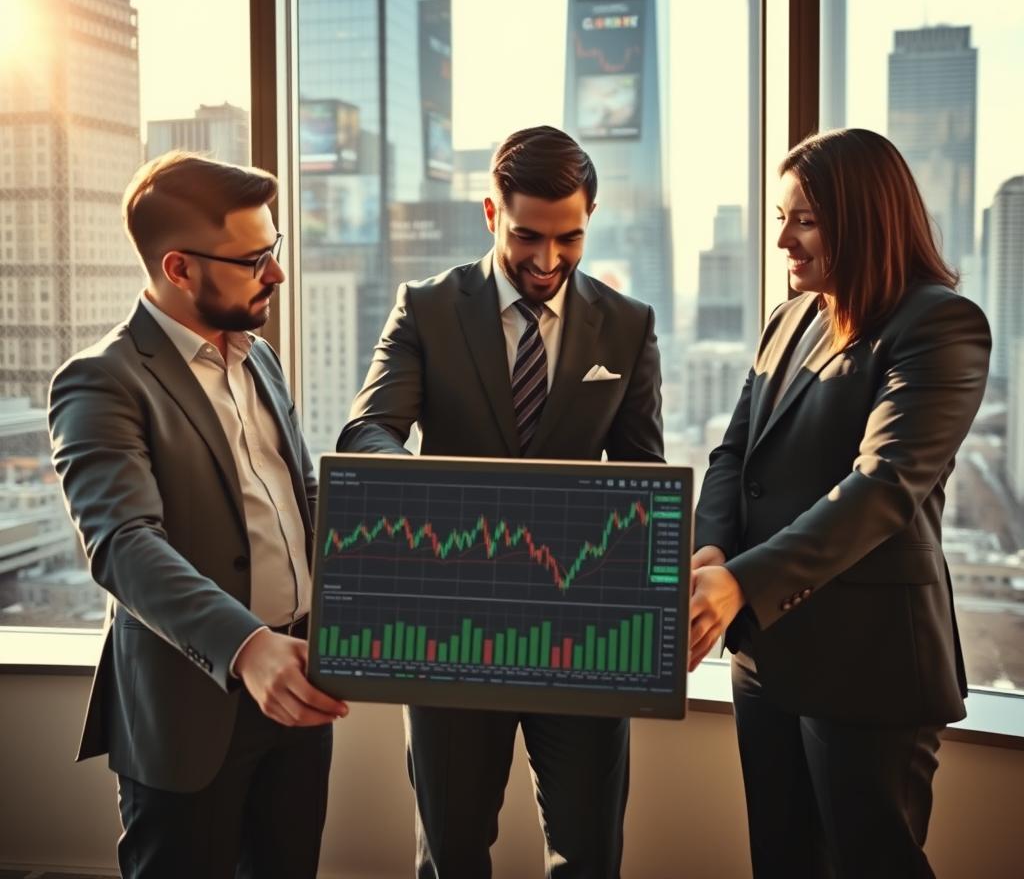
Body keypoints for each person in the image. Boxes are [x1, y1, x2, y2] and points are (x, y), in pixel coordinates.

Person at [339, 125, 664, 878]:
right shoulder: (426, 308)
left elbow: (643, 473)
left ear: (589, 219)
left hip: (582, 634)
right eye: (527, 236)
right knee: (451, 853)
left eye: (569, 237)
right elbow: (368, 431)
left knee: (589, 856)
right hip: (451, 626)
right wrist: (457, 505)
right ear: (491, 214)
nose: (547, 260)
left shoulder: (628, 325)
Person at [689, 128, 991, 877]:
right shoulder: (790, 317)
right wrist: (711, 550)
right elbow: (734, 454)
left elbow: (882, 489)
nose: (783, 241)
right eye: (782, 218)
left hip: (869, 664)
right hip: (765, 652)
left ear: (863, 220)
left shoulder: (939, 324)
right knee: (781, 860)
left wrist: (740, 582)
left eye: (806, 221)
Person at [48, 152, 349, 878]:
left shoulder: (260, 358)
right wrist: (247, 647)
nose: (277, 273)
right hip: (191, 706)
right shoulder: (101, 380)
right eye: (253, 260)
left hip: (296, 686)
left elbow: (299, 498)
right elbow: (123, 544)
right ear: (179, 268)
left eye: (273, 248)